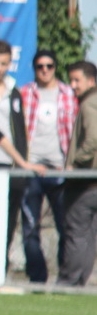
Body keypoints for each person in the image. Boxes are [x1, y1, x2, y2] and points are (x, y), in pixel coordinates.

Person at [19, 50, 78, 283]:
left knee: (66, 226)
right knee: (30, 227)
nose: (45, 70)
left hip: (60, 168)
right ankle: (37, 278)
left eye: (49, 66)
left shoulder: (68, 94)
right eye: (40, 66)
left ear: (55, 67)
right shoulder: (24, 93)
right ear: (34, 69)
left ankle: (64, 278)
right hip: (31, 167)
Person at [0, 41, 30, 259]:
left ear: (10, 64)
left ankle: (2, 267)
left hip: (11, 164)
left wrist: (22, 161)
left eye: (3, 64)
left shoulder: (14, 92)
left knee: (9, 222)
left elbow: (21, 131)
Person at [56, 61, 97, 286]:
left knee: (76, 232)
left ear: (91, 81)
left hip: (85, 182)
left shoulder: (89, 104)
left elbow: (93, 139)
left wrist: (74, 162)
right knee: (89, 235)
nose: (72, 85)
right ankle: (80, 281)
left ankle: (68, 283)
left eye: (76, 80)